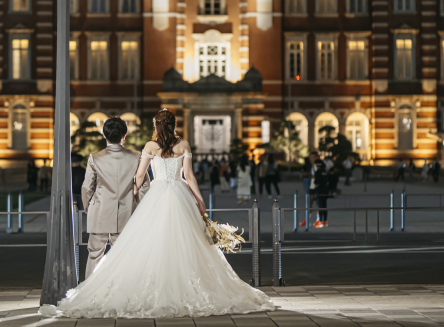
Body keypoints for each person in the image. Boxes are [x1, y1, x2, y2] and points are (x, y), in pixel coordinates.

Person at [41, 108, 274, 318]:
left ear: (157, 125)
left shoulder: (150, 147)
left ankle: (115, 287)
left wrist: (130, 192)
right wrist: (199, 199)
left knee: (147, 244)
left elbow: (140, 176)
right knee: (186, 244)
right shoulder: (183, 145)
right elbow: (189, 176)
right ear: (173, 125)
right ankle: (183, 285)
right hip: (180, 194)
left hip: (157, 193)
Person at [79, 116, 150, 278]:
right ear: (124, 135)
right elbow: (144, 186)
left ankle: (90, 292)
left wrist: (88, 208)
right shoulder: (135, 157)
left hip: (100, 211)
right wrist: (139, 207)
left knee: (95, 254)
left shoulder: (95, 158)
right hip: (126, 212)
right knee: (124, 256)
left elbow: (86, 187)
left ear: (104, 135)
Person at [313, 158, 329, 228]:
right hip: (325, 191)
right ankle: (325, 221)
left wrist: (315, 184)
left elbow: (316, 182)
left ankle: (320, 221)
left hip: (319, 191)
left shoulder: (318, 172)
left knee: (320, 206)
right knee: (324, 206)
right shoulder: (325, 172)